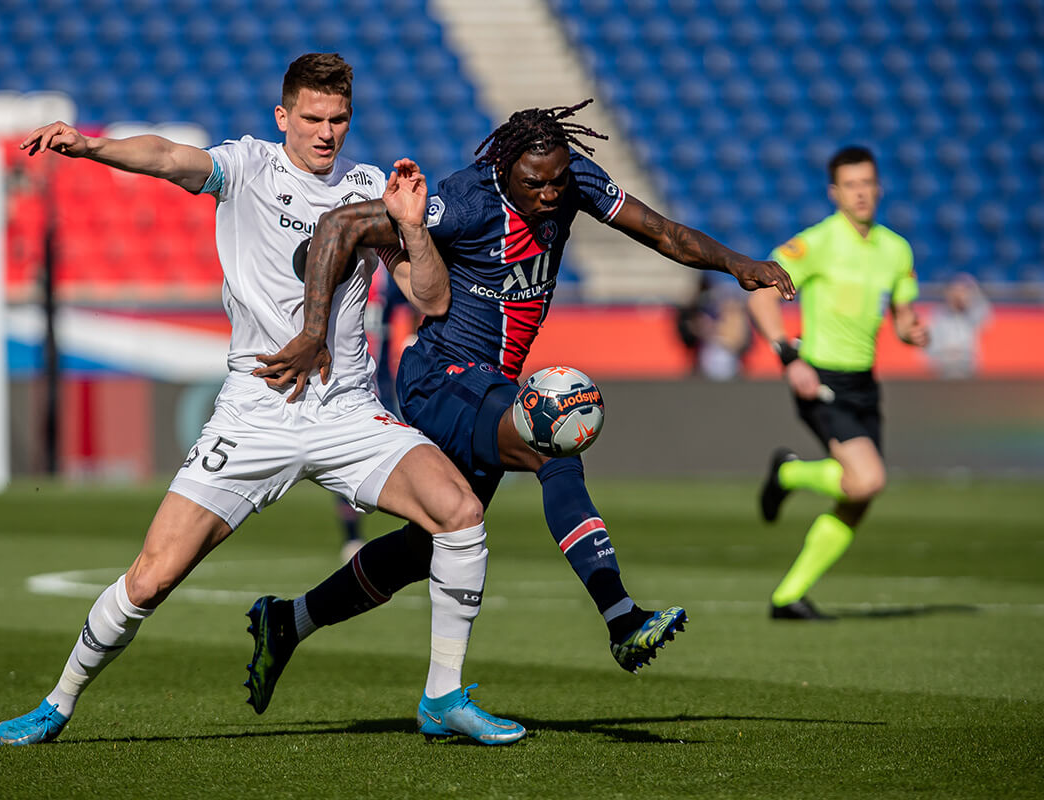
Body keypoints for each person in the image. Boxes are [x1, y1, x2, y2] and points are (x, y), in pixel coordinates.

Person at [0, 53, 525, 747]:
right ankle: (57, 704)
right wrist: (91, 146)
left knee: (460, 514)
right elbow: (165, 156)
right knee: (150, 580)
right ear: (283, 118)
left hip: (346, 410)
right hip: (257, 409)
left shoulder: (367, 189)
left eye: (337, 120)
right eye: (311, 119)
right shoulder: (246, 167)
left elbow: (432, 298)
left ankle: (443, 696)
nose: (325, 133)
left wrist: (414, 226)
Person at [243, 100, 795, 713]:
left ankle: (289, 621)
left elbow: (662, 232)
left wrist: (738, 265)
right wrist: (314, 330)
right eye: (535, 183)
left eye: (559, 179)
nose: (551, 194)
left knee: (429, 546)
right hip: (439, 378)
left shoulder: (571, 180)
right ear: (504, 170)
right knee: (554, 437)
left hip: (490, 387)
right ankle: (620, 616)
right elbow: (341, 226)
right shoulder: (468, 199)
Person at [747, 145, 929, 620]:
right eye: (851, 184)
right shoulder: (818, 243)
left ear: (879, 187)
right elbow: (762, 295)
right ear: (835, 192)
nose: (861, 192)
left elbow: (904, 319)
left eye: (867, 182)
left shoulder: (896, 249)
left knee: (857, 499)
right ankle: (787, 473)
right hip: (820, 377)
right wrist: (788, 355)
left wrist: (913, 332)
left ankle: (788, 597)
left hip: (864, 383)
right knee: (867, 479)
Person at [926, 272, 989, 378]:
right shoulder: (938, 316)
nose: (959, 295)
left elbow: (986, 314)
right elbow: (929, 348)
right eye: (956, 291)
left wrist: (974, 287)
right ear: (948, 293)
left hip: (968, 369)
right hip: (944, 370)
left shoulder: (972, 315)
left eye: (963, 292)